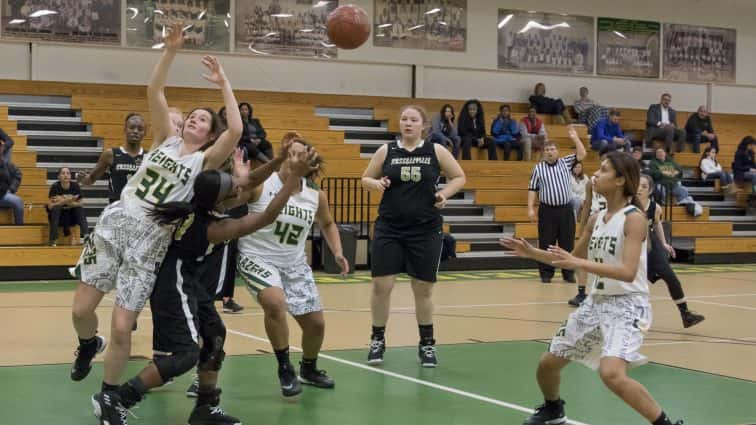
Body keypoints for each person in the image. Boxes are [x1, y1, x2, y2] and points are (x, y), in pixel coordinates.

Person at [71, 23, 242, 416]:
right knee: (82, 312)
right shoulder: (165, 138)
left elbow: (235, 128)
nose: (195, 120)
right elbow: (154, 91)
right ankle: (85, 344)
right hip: (116, 224)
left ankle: (110, 399)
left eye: (202, 120)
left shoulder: (204, 161)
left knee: (121, 327)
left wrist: (223, 82)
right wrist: (170, 51)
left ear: (208, 133)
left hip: (150, 241)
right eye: (193, 117)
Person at [95, 145, 318, 425]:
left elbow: (247, 181)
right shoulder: (213, 228)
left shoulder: (205, 201)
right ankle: (119, 399)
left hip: (188, 280)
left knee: (214, 335)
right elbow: (266, 217)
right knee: (185, 355)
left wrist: (278, 160)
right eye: (232, 186)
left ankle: (204, 407)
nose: (238, 187)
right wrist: (294, 177)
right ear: (221, 200)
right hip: (173, 284)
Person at [501, 152, 684, 425]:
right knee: (547, 364)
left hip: (628, 304)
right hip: (596, 303)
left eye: (604, 170)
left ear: (621, 180)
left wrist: (578, 262)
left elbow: (628, 271)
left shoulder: (634, 219)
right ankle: (553, 409)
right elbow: (569, 257)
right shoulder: (595, 218)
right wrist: (531, 253)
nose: (595, 175)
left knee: (611, 374)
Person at [237, 136, 348, 398]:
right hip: (258, 256)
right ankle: (285, 367)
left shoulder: (315, 195)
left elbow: (328, 223)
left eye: (301, 155)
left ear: (310, 165)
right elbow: (242, 189)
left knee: (316, 325)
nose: (294, 158)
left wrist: (338, 251)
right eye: (291, 153)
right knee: (275, 304)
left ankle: (308, 368)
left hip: (294, 264)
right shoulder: (265, 183)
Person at [362, 105, 466, 367]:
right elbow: (365, 178)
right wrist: (375, 183)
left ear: (423, 125)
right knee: (381, 285)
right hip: (390, 228)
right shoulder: (387, 150)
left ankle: (427, 344)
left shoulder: (435, 150)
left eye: (413, 119)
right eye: (404, 119)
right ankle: (377, 339)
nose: (407, 123)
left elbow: (459, 177)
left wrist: (444, 195)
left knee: (422, 289)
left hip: (425, 229)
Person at [638, 174, 705, 328]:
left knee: (670, 276)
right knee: (633, 282)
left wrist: (664, 244)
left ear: (650, 190)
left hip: (650, 243)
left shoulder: (655, 208)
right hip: (632, 243)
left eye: (644, 186)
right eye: (638, 185)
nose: (639, 189)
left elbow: (657, 224)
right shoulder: (628, 205)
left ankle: (686, 314)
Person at [527, 126, 586, 283]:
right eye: (547, 149)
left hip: (566, 210)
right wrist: (530, 208)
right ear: (543, 152)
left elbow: (582, 154)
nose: (549, 152)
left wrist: (575, 138)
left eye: (552, 149)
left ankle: (568, 273)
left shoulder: (566, 162)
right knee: (546, 242)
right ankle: (546, 274)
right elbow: (532, 189)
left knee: (567, 242)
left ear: (557, 151)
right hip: (547, 210)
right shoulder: (538, 168)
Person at [77, 113, 146, 203]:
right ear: (125, 129)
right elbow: (91, 179)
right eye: (132, 127)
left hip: (140, 209)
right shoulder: (110, 154)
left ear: (145, 133)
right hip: (117, 208)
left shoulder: (149, 156)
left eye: (140, 129)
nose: (136, 131)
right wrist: (83, 179)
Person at [48, 167, 89, 246]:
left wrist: (64, 200)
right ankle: (53, 239)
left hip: (72, 216)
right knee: (55, 209)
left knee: (79, 209)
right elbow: (50, 206)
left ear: (70, 176)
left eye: (68, 173)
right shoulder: (55, 187)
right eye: (63, 173)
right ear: (58, 177)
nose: (66, 175)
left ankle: (86, 236)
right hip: (59, 217)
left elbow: (81, 203)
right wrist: (68, 200)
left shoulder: (75, 186)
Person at [0, 139, 23, 224]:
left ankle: (20, 230)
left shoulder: (7, 164)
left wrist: (11, 189)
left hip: (3, 195)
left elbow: (18, 174)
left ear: (2, 149)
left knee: (18, 201)